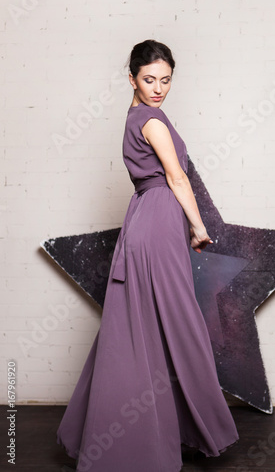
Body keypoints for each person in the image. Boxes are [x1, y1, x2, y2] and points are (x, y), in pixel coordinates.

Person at [57, 39, 239, 472]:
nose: (158, 88)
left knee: (139, 328)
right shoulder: (152, 121)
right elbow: (176, 177)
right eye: (149, 79)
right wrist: (197, 226)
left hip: (146, 218)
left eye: (166, 80)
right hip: (158, 219)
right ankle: (183, 433)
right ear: (133, 78)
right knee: (180, 324)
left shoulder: (135, 117)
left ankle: (138, 436)